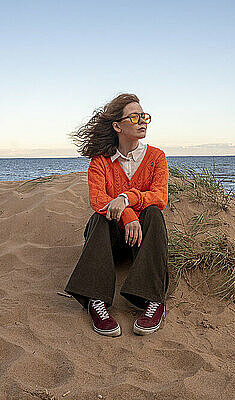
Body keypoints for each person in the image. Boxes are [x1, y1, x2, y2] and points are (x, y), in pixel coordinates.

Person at [64, 93, 169, 337]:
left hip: (141, 240)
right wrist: (127, 215)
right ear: (117, 126)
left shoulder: (156, 157)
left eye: (144, 116)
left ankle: (153, 300)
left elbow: (159, 197)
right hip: (109, 242)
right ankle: (95, 301)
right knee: (101, 217)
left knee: (153, 213)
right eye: (134, 116)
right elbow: (98, 200)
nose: (142, 121)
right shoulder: (100, 161)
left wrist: (126, 199)